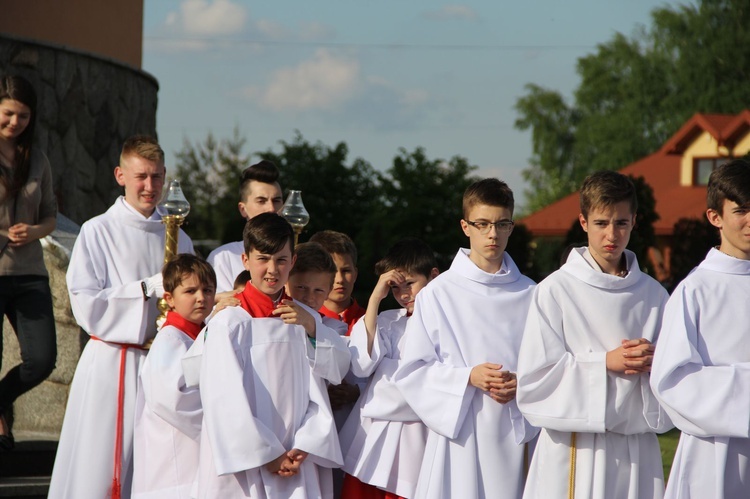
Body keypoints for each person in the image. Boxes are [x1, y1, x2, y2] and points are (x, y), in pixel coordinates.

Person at [48, 136, 194, 499]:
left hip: (163, 365)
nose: (150, 186)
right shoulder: (97, 231)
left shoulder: (180, 238)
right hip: (113, 361)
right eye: (141, 176)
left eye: (157, 177)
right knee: (99, 470)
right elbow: (85, 303)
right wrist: (146, 288)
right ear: (120, 175)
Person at [516, 171, 672, 499]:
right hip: (575, 446)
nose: (611, 234)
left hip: (635, 448)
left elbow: (674, 375)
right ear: (583, 222)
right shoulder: (555, 291)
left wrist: (655, 360)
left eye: (621, 223)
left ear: (634, 221)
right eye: (601, 223)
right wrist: (603, 363)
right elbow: (535, 381)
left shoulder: (654, 295)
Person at [395, 178, 538, 499]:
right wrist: (468, 377)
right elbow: (412, 372)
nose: (493, 234)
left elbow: (549, 363)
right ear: (465, 226)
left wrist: (523, 381)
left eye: (502, 224)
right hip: (463, 433)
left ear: (512, 227)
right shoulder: (438, 294)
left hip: (516, 429)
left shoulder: (533, 293)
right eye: (483, 223)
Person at [194, 213, 342, 497]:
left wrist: (307, 442)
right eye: (262, 258)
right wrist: (267, 453)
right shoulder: (229, 323)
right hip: (246, 463)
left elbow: (329, 378)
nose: (272, 269)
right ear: (245, 260)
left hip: (297, 458)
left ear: (293, 261)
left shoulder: (302, 321)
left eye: (281, 259)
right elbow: (223, 401)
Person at [650, 158, 750, 499]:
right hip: (714, 454)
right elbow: (671, 380)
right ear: (715, 217)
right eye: (741, 210)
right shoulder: (695, 290)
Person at [339, 237, 438, 499]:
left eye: (411, 284)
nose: (404, 294)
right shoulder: (386, 320)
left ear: (433, 276)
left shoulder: (447, 323)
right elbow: (361, 365)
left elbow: (429, 382)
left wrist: (383, 383)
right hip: (373, 437)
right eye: (395, 287)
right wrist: (374, 298)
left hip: (418, 435)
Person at [0, 75, 57, 452]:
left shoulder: (37, 157)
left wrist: (34, 230)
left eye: (22, 115)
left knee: (42, 359)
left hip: (31, 273)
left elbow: (52, 216)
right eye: (7, 113)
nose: (14, 122)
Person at [132, 254, 216, 498]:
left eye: (208, 290)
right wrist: (222, 424)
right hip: (174, 463)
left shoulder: (203, 335)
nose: (201, 298)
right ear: (169, 299)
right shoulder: (170, 342)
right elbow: (173, 400)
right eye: (190, 291)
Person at [208, 160, 283, 293]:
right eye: (261, 201)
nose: (271, 209)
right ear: (243, 209)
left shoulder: (296, 256)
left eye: (276, 201)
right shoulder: (223, 258)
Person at [285, 241, 348, 336]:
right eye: (301, 287)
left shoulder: (334, 329)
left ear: (328, 291)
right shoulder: (269, 320)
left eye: (318, 290)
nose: (309, 297)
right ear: (285, 282)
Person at [309, 230, 365, 334]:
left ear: (355, 274)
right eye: (332, 271)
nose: (340, 279)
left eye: (346, 271)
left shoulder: (370, 321)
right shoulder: (305, 320)